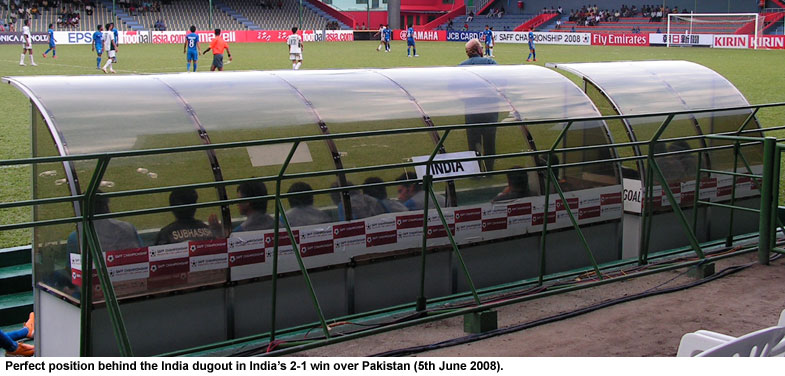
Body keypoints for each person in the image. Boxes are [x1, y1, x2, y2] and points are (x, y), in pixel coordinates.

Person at [459, 38, 499, 172]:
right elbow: (502, 81)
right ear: (478, 50)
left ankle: (475, 171)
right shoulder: (491, 62)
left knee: (473, 142)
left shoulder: (462, 67)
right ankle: (489, 170)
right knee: (490, 141)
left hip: (471, 110)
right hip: (490, 110)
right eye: (481, 47)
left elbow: (454, 87)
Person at [66, 191, 144, 254]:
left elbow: (71, 268)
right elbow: (141, 254)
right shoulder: (127, 228)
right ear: (106, 208)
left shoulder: (76, 237)